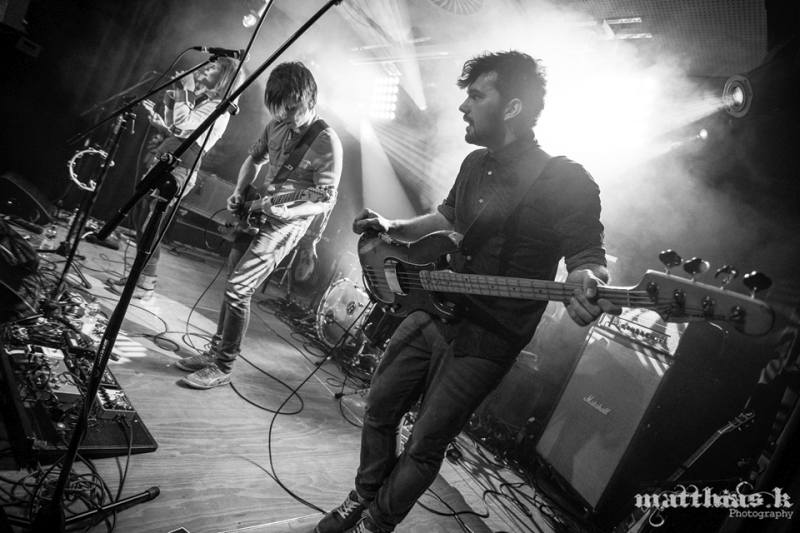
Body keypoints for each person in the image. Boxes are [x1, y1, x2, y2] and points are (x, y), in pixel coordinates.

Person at [315, 51, 622, 533]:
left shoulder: (566, 179)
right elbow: (448, 217)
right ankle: (363, 496)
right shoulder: (476, 162)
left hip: (489, 337)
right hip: (435, 309)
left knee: (425, 442)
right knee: (378, 407)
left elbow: (588, 257)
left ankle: (376, 523)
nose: (463, 106)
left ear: (513, 107)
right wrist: (393, 226)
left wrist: (587, 280)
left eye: (476, 96)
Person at [176, 61, 343, 389]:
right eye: (278, 111)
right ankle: (214, 353)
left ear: (309, 99)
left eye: (291, 110)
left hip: (286, 226)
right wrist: (239, 191)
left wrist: (288, 214)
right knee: (232, 283)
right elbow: (254, 159)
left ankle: (223, 366)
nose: (284, 117)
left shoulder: (326, 142)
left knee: (239, 288)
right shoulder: (276, 124)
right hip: (258, 210)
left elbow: (324, 199)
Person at [106, 57, 243, 300]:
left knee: (151, 226)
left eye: (213, 68)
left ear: (224, 78)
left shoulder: (219, 108)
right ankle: (139, 277)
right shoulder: (207, 102)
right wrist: (171, 102)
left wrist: (186, 88)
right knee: (141, 220)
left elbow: (183, 122)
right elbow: (177, 127)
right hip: (168, 160)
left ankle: (145, 283)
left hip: (180, 168)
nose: (206, 69)